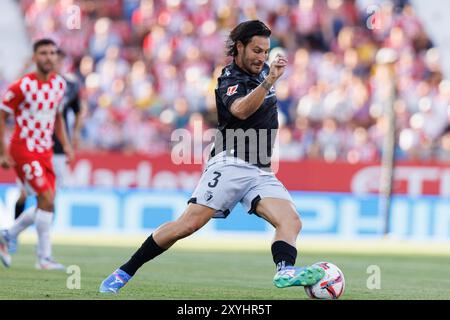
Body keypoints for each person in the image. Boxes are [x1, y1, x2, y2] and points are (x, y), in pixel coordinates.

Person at [99, 20, 325, 294]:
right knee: (187, 224)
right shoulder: (229, 78)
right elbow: (240, 110)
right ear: (239, 47)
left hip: (261, 170)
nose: (262, 57)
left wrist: (268, 77)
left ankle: (285, 270)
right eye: (256, 50)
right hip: (231, 162)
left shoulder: (263, 72)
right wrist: (269, 81)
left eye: (265, 51)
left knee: (291, 220)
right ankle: (125, 271)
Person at [0, 38, 74, 270]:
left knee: (47, 204)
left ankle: (7, 234)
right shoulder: (22, 86)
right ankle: (44, 258)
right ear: (34, 57)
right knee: (47, 199)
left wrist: (67, 144)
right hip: (23, 148)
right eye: (43, 53)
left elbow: (58, 116)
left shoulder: (59, 85)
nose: (49, 57)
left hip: (45, 150)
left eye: (52, 53)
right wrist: (3, 153)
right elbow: (2, 116)